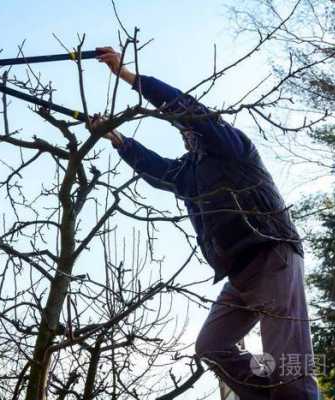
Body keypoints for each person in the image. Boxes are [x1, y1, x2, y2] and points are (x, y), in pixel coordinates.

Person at [94, 46, 319, 400]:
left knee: (289, 365)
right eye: (183, 133)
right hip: (238, 271)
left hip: (272, 255)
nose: (187, 133)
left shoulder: (233, 148)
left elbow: (187, 109)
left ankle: (291, 395)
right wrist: (119, 140)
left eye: (190, 128)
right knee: (212, 346)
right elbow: (158, 170)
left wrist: (129, 76)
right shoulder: (190, 172)